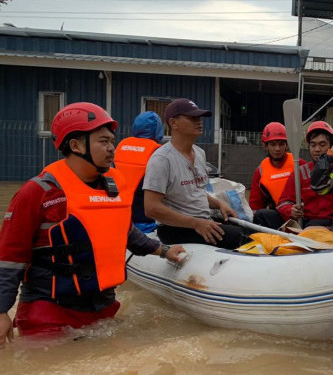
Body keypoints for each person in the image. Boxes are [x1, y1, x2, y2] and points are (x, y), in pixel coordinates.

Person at [0, 102, 185, 346]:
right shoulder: (38, 192)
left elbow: (125, 231)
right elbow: (10, 256)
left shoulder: (113, 186)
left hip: (103, 308)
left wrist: (163, 251)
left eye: (112, 141)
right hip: (50, 313)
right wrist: (2, 311)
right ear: (75, 145)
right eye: (103, 142)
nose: (112, 149)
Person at [143, 98, 248, 249]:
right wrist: (196, 223)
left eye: (199, 118)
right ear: (173, 123)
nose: (199, 122)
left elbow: (193, 191)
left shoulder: (200, 153)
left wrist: (219, 204)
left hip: (202, 221)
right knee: (242, 239)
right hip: (176, 229)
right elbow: (151, 208)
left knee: (251, 227)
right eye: (192, 118)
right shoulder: (162, 159)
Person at [276, 121, 333, 228]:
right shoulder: (300, 172)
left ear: (332, 146)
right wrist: (291, 210)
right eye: (313, 145)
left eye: (322, 145)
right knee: (263, 215)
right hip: (301, 221)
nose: (317, 149)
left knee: (313, 225)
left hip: (327, 224)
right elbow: (283, 202)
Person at [114, 111, 163, 233]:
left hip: (120, 214)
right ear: (158, 130)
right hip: (145, 220)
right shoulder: (157, 152)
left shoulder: (122, 146)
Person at [249, 121, 298, 229]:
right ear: (265, 146)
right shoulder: (261, 171)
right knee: (260, 215)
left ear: (286, 145)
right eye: (273, 144)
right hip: (279, 217)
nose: (277, 149)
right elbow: (255, 205)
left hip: (300, 215)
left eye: (281, 144)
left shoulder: (298, 163)